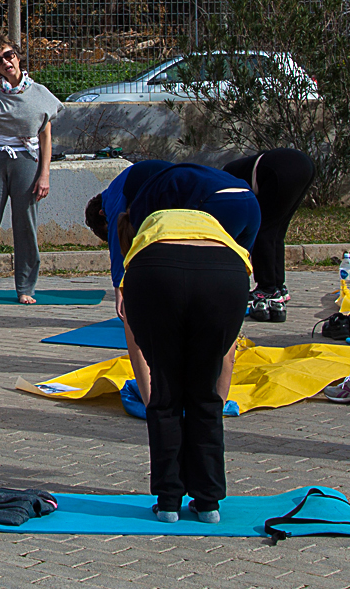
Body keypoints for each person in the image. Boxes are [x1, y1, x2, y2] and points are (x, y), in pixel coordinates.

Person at [118, 207, 252, 523]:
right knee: (204, 397)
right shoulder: (218, 231)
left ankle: (168, 503)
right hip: (226, 274)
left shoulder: (142, 247)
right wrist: (214, 401)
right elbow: (228, 354)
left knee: (166, 396)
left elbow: (136, 347)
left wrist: (156, 401)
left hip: (155, 274)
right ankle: (208, 504)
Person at [103, 161, 261, 400]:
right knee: (226, 300)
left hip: (215, 204)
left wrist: (149, 400)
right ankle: (219, 400)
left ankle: (159, 397)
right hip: (249, 203)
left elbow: (136, 328)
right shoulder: (154, 194)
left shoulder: (142, 215)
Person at [0, 37, 62, 304]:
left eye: (8, 56)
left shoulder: (40, 93)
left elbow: (46, 138)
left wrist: (44, 174)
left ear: (17, 56)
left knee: (25, 224)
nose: (5, 62)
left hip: (26, 161)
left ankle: (26, 287)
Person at [223, 149, 317, 323]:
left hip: (280, 169)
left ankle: (266, 289)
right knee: (277, 231)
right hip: (304, 165)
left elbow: (241, 221)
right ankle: (278, 286)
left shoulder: (226, 180)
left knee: (263, 231)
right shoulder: (232, 172)